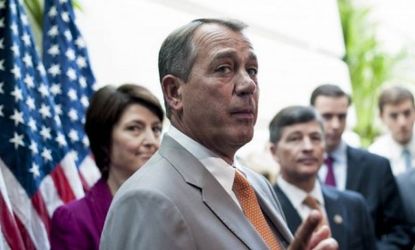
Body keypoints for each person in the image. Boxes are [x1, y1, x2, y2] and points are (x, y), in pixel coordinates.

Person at [100, 19, 337, 250]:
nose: (248, 85)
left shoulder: (257, 184)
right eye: (224, 69)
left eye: (252, 70)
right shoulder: (148, 200)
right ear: (174, 92)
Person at [50, 83, 164, 250]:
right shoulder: (74, 219)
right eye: (134, 128)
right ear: (104, 139)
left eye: (156, 129)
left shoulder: (171, 206)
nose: (151, 141)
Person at [310, 83, 414, 249]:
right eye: (327, 116)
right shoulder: (298, 171)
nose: (335, 125)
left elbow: (401, 232)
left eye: (342, 116)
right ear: (312, 115)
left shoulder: (377, 167)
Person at [269, 105, 377, 250]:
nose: (308, 147)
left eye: (315, 138)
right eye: (295, 139)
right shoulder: (264, 209)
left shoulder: (354, 205)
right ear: (274, 151)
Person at [369, 85, 415, 175]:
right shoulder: (375, 155)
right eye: (394, 116)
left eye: (407, 113)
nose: (402, 123)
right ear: (382, 117)